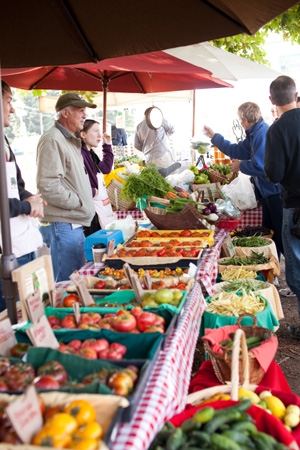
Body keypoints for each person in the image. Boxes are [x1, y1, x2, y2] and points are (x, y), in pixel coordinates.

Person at [204, 102, 284, 260]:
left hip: (275, 192)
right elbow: (236, 150)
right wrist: (214, 137)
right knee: (269, 232)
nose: (240, 124)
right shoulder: (255, 133)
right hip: (267, 192)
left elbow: (261, 167)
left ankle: (285, 273)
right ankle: (273, 265)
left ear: (246, 120)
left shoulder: (262, 134)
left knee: (279, 235)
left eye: (241, 120)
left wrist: (241, 165)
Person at [36, 92, 96, 282]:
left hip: (73, 223)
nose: (84, 115)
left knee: (74, 281)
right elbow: (48, 184)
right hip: (64, 224)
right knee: (66, 283)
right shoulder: (53, 140)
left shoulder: (69, 140)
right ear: (65, 113)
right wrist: (77, 202)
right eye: (80, 111)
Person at [0, 80, 45, 312]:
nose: (13, 108)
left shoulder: (4, 141)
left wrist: (33, 199)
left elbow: (16, 186)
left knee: (28, 310)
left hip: (21, 246)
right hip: (4, 253)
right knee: (8, 321)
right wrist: (27, 207)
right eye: (8, 101)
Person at [264, 75, 300, 338]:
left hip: (295, 207)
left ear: (271, 100)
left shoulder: (277, 130)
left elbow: (274, 174)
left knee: (297, 269)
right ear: (296, 95)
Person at [78, 119, 116, 236]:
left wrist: (107, 145)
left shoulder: (90, 153)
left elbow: (105, 168)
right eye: (95, 131)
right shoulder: (81, 154)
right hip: (92, 211)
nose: (99, 135)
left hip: (100, 206)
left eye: (99, 131)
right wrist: (94, 191)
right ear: (83, 134)